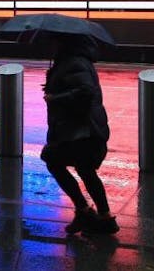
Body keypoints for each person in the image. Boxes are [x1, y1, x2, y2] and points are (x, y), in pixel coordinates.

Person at [40, 33, 118, 236]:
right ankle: (102, 216)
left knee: (55, 160)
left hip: (82, 129)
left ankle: (89, 211)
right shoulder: (71, 60)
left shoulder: (74, 62)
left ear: (64, 42)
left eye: (54, 40)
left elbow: (85, 92)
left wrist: (54, 98)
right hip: (79, 128)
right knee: (84, 170)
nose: (51, 43)